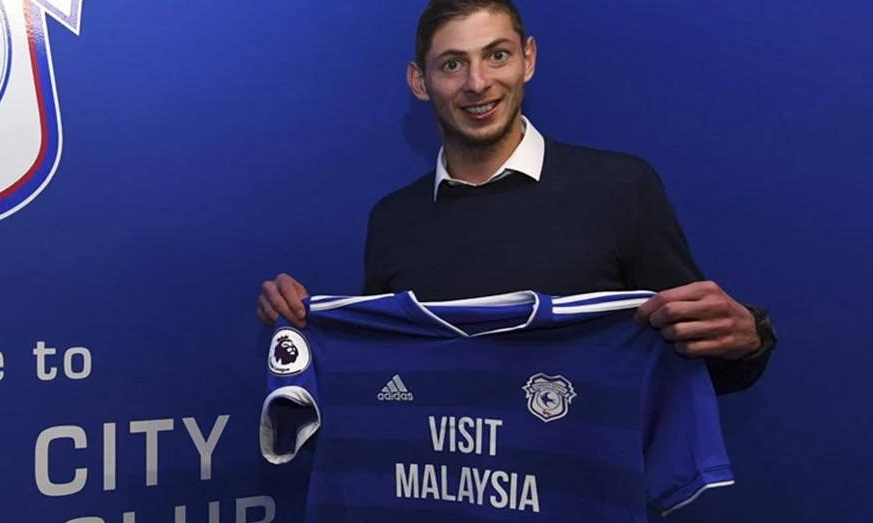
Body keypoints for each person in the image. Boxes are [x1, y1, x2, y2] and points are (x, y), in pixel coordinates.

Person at [256, 0, 777, 395]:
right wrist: (303, 326)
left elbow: (704, 361)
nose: (478, 83)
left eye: (497, 55)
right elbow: (383, 378)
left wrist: (749, 339)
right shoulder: (392, 219)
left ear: (527, 59)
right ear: (420, 81)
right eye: (452, 65)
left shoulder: (622, 187)